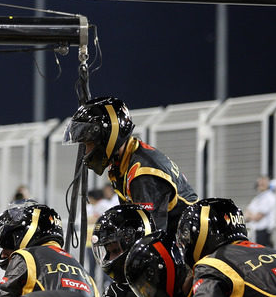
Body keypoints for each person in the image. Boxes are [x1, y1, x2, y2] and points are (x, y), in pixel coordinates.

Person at [64, 96, 198, 239]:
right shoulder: (123, 163)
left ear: (107, 136)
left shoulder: (143, 173)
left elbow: (152, 239)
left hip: (187, 244)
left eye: (88, 143)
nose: (85, 152)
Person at [244, 174, 275, 246]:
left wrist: (250, 216)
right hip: (255, 232)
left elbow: (258, 217)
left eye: (263, 183)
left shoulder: (270, 197)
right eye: (259, 183)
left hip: (264, 233)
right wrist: (251, 216)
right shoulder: (257, 198)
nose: (260, 185)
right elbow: (246, 212)